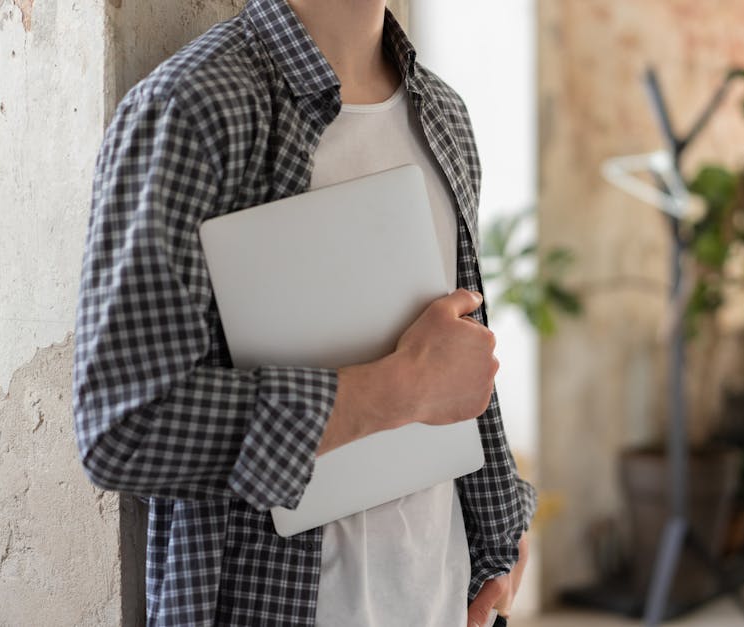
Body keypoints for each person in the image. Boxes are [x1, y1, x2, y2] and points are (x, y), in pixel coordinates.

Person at [71, 0, 535, 625]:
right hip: (272, 603)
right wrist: (394, 389)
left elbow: (457, 357)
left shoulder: (444, 115)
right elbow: (122, 426)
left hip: (437, 592)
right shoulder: (193, 106)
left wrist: (502, 528)